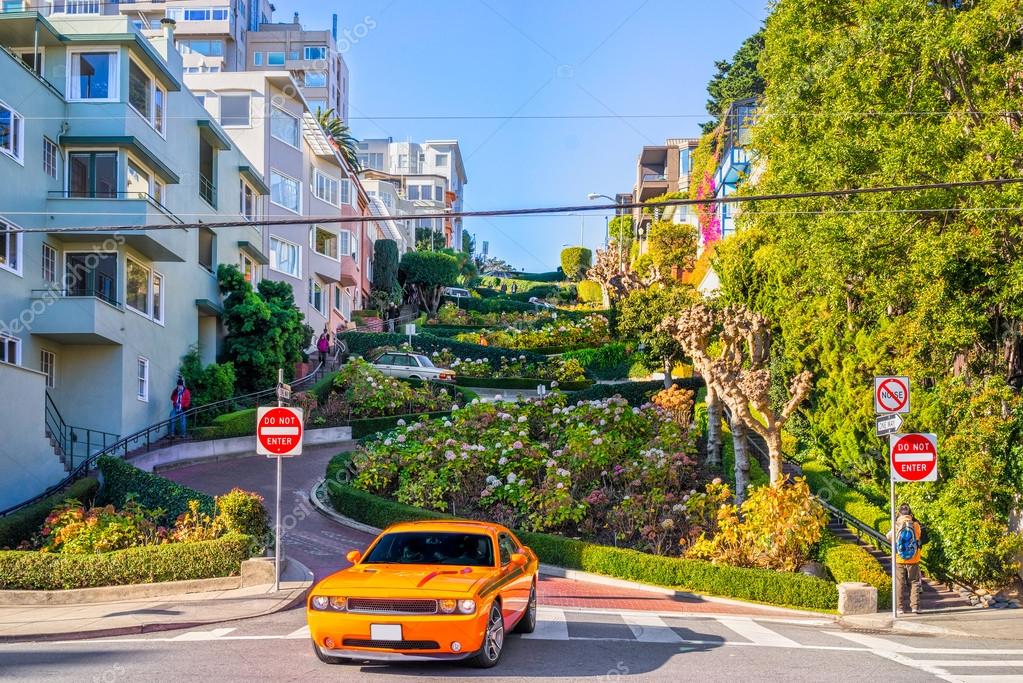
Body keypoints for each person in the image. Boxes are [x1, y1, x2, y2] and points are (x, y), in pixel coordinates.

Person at [887, 503, 924, 614]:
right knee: (914, 582)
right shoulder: (916, 524)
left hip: (899, 558)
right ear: (910, 512)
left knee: (899, 583)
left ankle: (899, 608)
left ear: (899, 512)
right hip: (914, 558)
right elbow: (918, 537)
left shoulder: (896, 524)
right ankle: (915, 607)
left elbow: (888, 537)